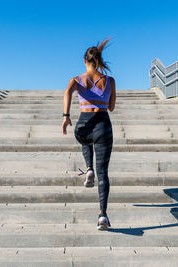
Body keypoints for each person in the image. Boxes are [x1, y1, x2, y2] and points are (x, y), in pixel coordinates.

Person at [62, 37, 116, 230]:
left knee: (84, 138)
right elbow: (111, 107)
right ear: (99, 61)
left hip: (83, 125)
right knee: (104, 173)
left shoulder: (77, 80)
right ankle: (102, 215)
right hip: (103, 124)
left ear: (85, 61)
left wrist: (66, 116)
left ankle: (88, 168)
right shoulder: (110, 81)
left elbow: (67, 91)